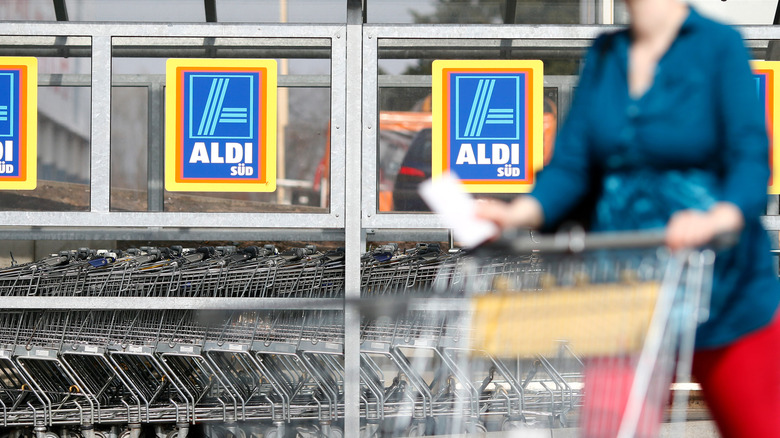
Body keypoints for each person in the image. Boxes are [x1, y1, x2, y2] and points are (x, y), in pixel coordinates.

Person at [476, 0, 780, 436]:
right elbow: (572, 167)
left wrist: (716, 218)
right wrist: (513, 214)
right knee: (613, 430)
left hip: (723, 289)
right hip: (625, 290)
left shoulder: (718, 46)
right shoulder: (605, 55)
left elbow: (750, 159)